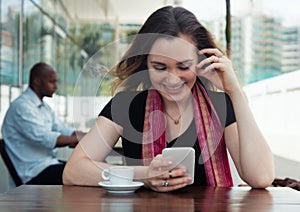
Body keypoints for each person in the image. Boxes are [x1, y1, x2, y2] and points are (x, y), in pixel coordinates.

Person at [63, 6, 274, 192]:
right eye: (160, 67)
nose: (173, 79)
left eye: (183, 66)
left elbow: (261, 176)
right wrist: (145, 175)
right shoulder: (125, 106)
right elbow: (73, 172)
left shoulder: (221, 106)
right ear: (146, 64)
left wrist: (235, 91)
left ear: (201, 61)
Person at [1, 62, 85, 185]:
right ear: (37, 81)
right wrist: (77, 138)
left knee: (87, 169)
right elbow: (45, 138)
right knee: (85, 174)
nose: (56, 87)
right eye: (52, 82)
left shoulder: (44, 108)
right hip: (33, 173)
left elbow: (62, 128)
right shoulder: (22, 107)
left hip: (48, 165)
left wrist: (88, 136)